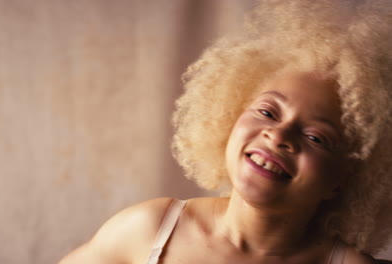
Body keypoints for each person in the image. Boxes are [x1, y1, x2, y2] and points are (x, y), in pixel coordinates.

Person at [59, 0, 392, 263]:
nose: (278, 136)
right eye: (267, 112)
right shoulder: (149, 230)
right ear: (229, 116)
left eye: (316, 137)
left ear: (346, 178)